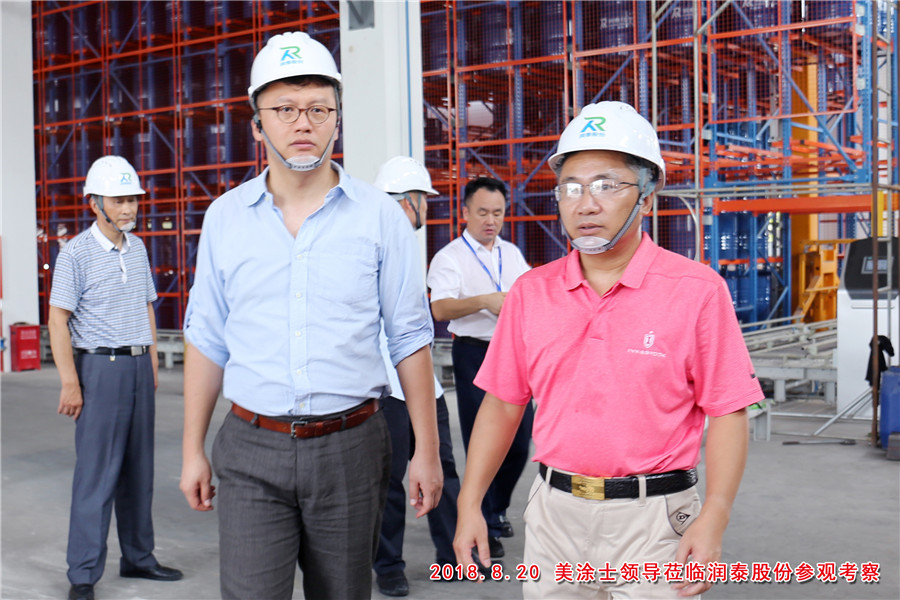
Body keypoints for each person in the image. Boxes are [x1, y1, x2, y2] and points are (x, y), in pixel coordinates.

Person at [452, 101, 764, 599]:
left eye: (606, 185)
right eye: (571, 187)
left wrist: (716, 513)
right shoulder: (532, 293)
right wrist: (470, 502)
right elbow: (503, 404)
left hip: (654, 521)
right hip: (554, 517)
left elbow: (727, 410)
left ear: (646, 198)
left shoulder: (696, 292)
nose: (586, 204)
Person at [179, 31, 442, 600]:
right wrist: (191, 448)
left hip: (350, 446)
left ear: (337, 121)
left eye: (319, 109)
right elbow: (206, 338)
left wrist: (426, 449)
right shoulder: (225, 219)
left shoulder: (379, 219)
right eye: (285, 109)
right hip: (251, 446)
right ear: (257, 124)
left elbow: (409, 338)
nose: (303, 123)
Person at [49, 156, 182, 600]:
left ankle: (138, 557)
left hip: (138, 366)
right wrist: (70, 381)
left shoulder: (138, 248)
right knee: (97, 473)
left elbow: (146, 305)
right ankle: (83, 573)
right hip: (100, 370)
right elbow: (58, 319)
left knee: (138, 469)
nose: (128, 209)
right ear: (95, 203)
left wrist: (150, 360)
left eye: (133, 200)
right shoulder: (75, 254)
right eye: (119, 200)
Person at [427, 176, 533, 560]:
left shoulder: (511, 253)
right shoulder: (450, 257)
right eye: (483, 212)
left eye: (498, 213)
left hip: (513, 352)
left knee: (520, 442)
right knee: (481, 442)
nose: (491, 220)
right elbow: (440, 308)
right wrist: (485, 300)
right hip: (473, 353)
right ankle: (485, 521)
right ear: (465, 212)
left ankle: (497, 507)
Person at [371, 156, 462, 597]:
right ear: (408, 200)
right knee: (389, 481)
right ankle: (388, 566)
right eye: (424, 198)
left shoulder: (408, 245)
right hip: (386, 387)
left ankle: (455, 556)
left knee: (442, 468)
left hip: (424, 384)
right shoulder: (372, 245)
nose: (426, 206)